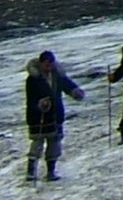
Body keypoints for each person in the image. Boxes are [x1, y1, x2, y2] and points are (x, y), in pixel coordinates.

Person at [24, 51, 84, 181]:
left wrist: (75, 91)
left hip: (55, 114)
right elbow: (31, 99)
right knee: (37, 144)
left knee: (54, 144)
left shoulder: (57, 75)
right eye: (46, 64)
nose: (49, 67)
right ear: (41, 64)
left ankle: (51, 171)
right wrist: (39, 104)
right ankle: (31, 171)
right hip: (38, 116)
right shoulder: (33, 79)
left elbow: (67, 85)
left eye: (51, 64)